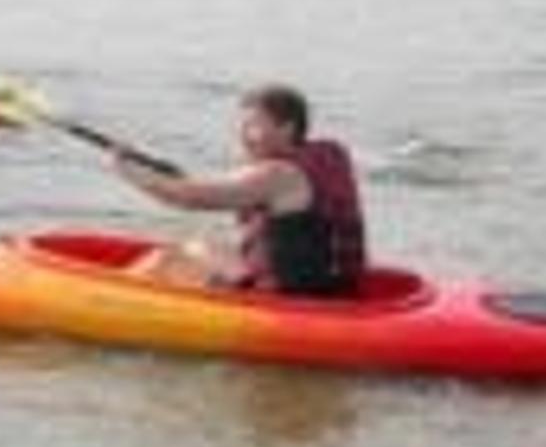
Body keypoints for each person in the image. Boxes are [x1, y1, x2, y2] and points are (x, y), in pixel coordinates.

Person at [115, 84, 371, 298]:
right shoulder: (325, 157)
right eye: (243, 126)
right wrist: (163, 173)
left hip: (294, 298)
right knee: (202, 246)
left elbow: (190, 198)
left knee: (167, 258)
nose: (244, 136)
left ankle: (112, 297)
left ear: (287, 128)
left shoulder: (278, 175)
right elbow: (205, 186)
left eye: (254, 126)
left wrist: (131, 174)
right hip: (335, 286)